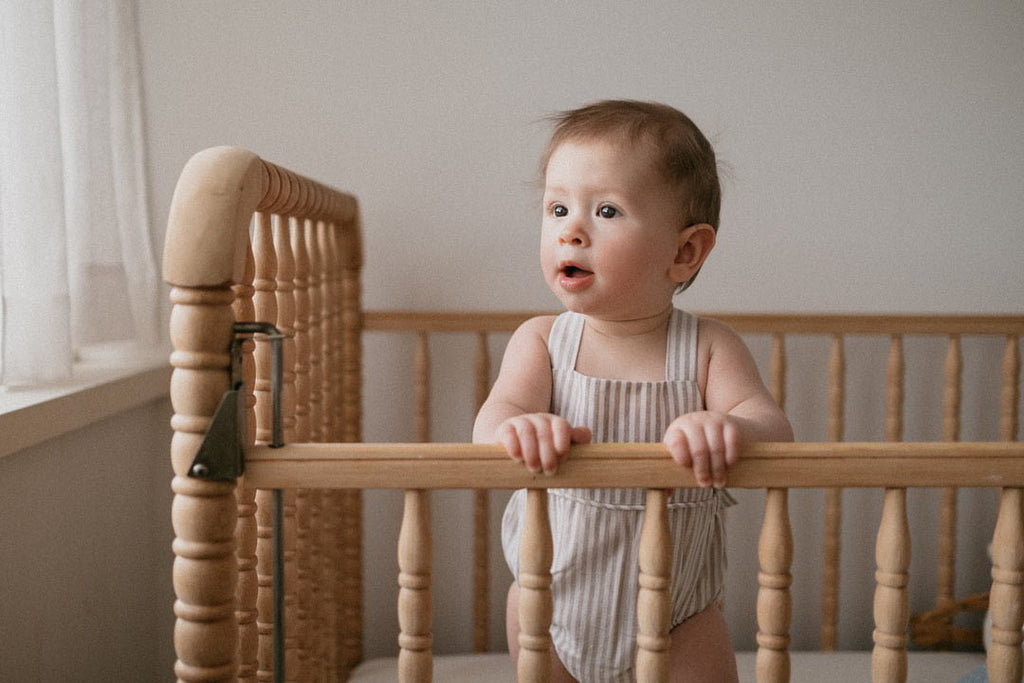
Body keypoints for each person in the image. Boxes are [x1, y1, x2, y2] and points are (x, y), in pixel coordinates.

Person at [472, 100, 793, 682]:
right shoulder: (543, 341)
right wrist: (519, 427)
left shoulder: (708, 348)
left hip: (681, 619)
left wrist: (730, 427)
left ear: (684, 251)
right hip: (549, 605)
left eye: (608, 211)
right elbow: (494, 419)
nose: (571, 229)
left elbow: (775, 431)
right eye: (558, 207)